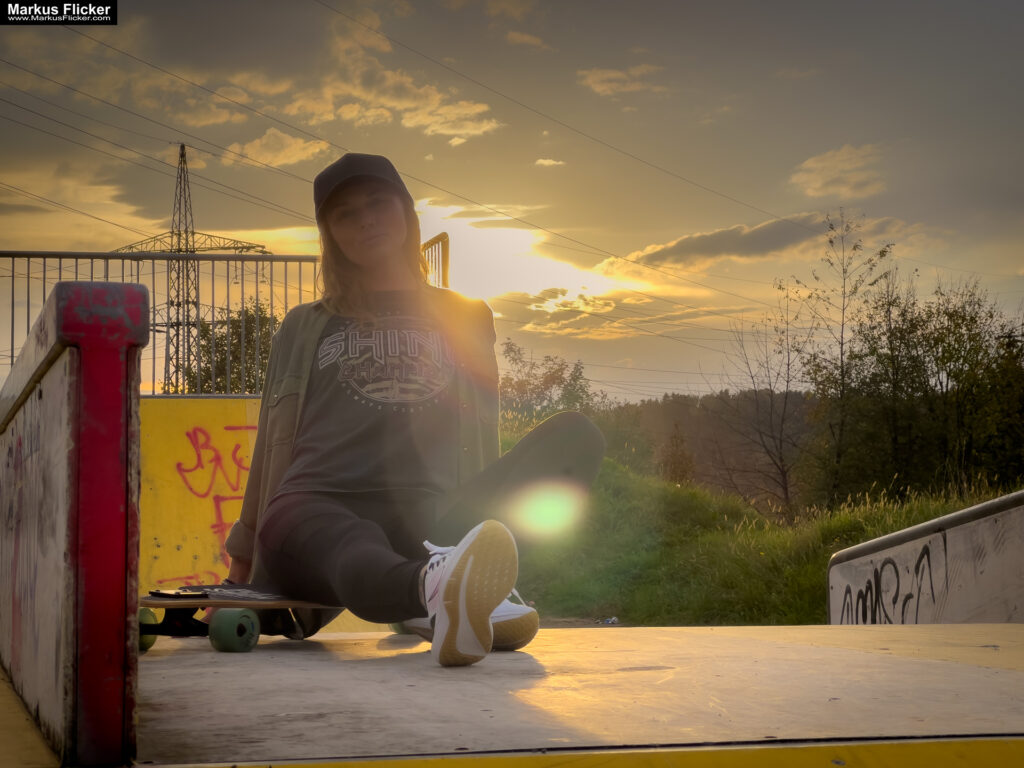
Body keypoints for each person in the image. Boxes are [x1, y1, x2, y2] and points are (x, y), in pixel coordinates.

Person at [223, 153, 605, 667]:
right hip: (315, 507)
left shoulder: (465, 316)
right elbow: (271, 437)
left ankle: (446, 581)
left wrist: (483, 523)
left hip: (429, 517)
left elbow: (481, 427)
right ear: (329, 234)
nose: (366, 221)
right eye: (346, 214)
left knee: (576, 436)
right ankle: (432, 590)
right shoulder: (303, 325)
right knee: (353, 543)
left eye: (378, 203)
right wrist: (240, 568)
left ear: (407, 212)